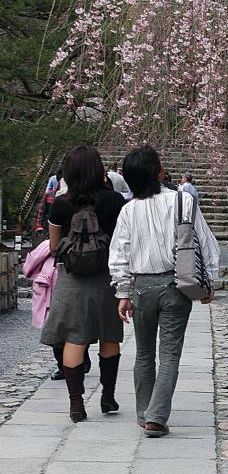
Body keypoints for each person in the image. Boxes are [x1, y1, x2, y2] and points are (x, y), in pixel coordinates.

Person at [109, 145, 219, 438]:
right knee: (169, 354)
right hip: (177, 285)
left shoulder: (128, 210)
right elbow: (203, 241)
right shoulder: (182, 201)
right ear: (158, 171)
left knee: (143, 353)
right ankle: (156, 418)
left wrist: (123, 292)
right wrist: (210, 279)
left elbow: (119, 252)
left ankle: (144, 411)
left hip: (142, 287)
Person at [41, 145, 125, 422]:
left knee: (74, 338)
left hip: (72, 279)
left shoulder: (62, 203)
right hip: (107, 277)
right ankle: (107, 397)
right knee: (109, 336)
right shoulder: (115, 201)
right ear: (99, 169)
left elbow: (54, 247)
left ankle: (76, 404)